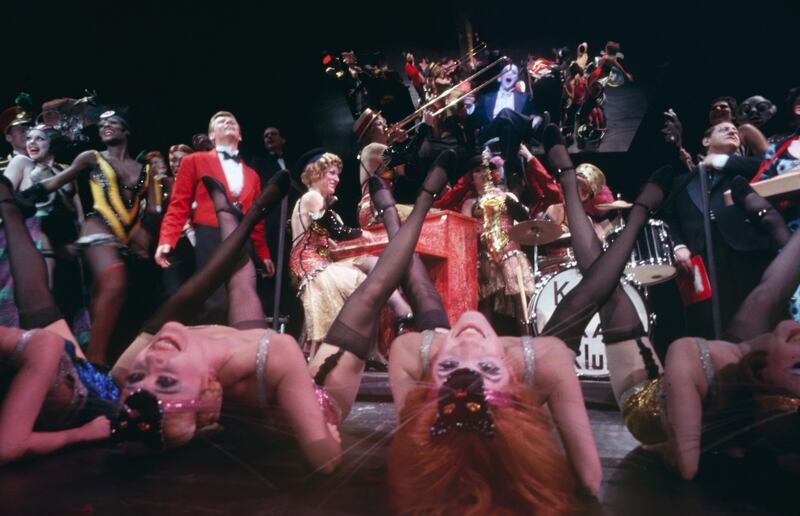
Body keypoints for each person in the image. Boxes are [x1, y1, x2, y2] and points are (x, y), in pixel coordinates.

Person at [344, 135, 675, 507]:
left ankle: (400, 211)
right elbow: (589, 477)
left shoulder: (416, 352)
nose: (467, 340)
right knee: (595, 294)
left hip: (454, 323)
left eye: (451, 367)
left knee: (420, 290)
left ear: (429, 391)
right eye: (487, 367)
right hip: (531, 349)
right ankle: (630, 205)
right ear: (518, 395)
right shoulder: (541, 359)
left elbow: (413, 437)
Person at [621, 179, 800, 480]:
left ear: (763, 374)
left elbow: (686, 467)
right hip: (734, 388)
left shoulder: (688, 357)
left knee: (616, 307)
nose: (797, 334)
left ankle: (637, 212)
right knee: (769, 294)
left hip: (644, 409)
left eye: (798, 366)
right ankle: (771, 221)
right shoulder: (754, 373)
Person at [18, 110, 155, 364]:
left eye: (113, 123)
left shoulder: (145, 170)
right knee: (115, 282)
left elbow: (154, 209)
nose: (106, 126)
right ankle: (96, 362)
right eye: (102, 124)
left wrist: (145, 233)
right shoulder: (92, 157)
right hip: (98, 231)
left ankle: (90, 358)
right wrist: (18, 198)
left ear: (127, 130)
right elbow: (57, 181)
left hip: (126, 240)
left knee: (112, 297)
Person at [288, 151, 413, 362]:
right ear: (317, 173)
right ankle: (398, 317)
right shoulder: (312, 197)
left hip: (320, 261)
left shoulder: (316, 201)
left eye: (337, 175)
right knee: (366, 284)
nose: (336, 179)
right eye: (332, 173)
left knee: (373, 263)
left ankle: (401, 314)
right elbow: (336, 228)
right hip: (310, 266)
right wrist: (362, 233)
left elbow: (325, 237)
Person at [156, 111, 275, 324]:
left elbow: (257, 220)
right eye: (220, 121)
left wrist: (263, 253)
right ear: (211, 135)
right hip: (211, 236)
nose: (228, 121)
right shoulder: (194, 161)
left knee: (244, 300)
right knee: (215, 302)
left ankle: (240, 353)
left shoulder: (252, 175)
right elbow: (179, 204)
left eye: (233, 121)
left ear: (240, 135)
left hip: (243, 240)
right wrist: (167, 239)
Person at [663, 121, 775, 338]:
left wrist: (722, 161)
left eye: (735, 131)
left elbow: (768, 165)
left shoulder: (746, 170)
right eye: (724, 129)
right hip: (699, 262)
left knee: (754, 325)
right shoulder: (682, 181)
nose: (732, 131)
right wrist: (678, 244)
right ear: (706, 141)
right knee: (706, 327)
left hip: (747, 256)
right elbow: (669, 217)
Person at [1, 125, 85, 333]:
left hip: (67, 244)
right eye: (29, 138)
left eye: (39, 139)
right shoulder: (23, 163)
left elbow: (79, 212)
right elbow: (5, 195)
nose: (31, 143)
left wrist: (82, 243)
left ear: (52, 143)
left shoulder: (67, 169)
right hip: (36, 241)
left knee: (68, 301)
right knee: (43, 303)